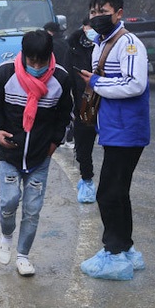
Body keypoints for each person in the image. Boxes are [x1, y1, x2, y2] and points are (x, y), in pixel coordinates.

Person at [0, 30, 73, 277]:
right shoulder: (6, 73)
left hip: (39, 159)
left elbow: (65, 115)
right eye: (31, 61)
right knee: (9, 200)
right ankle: (6, 235)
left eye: (41, 61)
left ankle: (23, 256)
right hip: (9, 155)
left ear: (49, 56)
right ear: (24, 55)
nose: (36, 66)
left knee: (33, 209)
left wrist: (54, 143)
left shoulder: (61, 79)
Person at [77, 0, 150, 280]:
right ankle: (126, 249)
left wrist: (96, 82)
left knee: (108, 193)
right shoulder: (101, 44)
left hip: (127, 130)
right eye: (93, 12)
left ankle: (115, 253)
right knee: (118, 192)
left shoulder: (129, 44)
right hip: (113, 129)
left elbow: (135, 85)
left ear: (119, 13)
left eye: (103, 11)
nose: (97, 17)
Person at [66, 17, 98, 203]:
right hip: (83, 104)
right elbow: (66, 80)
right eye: (89, 26)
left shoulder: (107, 44)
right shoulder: (73, 47)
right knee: (83, 146)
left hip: (107, 100)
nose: (91, 30)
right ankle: (87, 180)